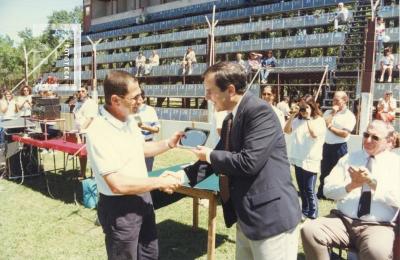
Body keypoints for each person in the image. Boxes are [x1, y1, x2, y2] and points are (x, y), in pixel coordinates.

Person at [187, 62, 301, 259]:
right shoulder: (231, 118)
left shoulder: (260, 111)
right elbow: (219, 157)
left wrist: (209, 155)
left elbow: (248, 162)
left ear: (230, 90)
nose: (206, 97)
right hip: (246, 217)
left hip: (270, 219)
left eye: (210, 91)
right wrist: (181, 176)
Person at [86, 70, 183, 260]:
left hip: (143, 199)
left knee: (149, 255)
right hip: (120, 208)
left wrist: (168, 143)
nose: (141, 100)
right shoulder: (98, 131)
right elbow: (117, 184)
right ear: (115, 100)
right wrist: (159, 182)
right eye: (135, 97)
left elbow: (140, 148)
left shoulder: (128, 120)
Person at [301, 120, 400, 260]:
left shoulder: (395, 164)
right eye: (366, 135)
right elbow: (327, 190)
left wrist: (372, 183)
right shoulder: (349, 158)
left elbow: (398, 199)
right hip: (343, 221)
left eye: (375, 137)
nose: (368, 140)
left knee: (376, 251)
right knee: (310, 230)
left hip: (378, 226)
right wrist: (351, 186)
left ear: (389, 141)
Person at [284, 100, 326, 220]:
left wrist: (308, 119)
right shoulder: (297, 120)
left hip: (311, 159)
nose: (304, 111)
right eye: (302, 109)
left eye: (307, 108)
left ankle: (313, 213)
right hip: (298, 157)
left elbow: (314, 134)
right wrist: (292, 116)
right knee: (301, 188)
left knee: (309, 189)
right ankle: (305, 211)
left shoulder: (319, 121)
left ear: (312, 108)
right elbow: (286, 130)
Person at [317, 91, 356, 199]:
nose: (334, 102)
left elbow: (344, 134)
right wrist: (333, 113)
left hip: (340, 147)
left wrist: (330, 127)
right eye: (333, 99)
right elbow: (325, 123)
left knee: (339, 171)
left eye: (337, 100)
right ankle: (322, 193)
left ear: (345, 100)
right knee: (324, 170)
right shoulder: (328, 112)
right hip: (327, 145)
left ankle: (337, 195)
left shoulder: (349, 116)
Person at [72, 86, 98, 179]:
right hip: (80, 133)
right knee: (82, 155)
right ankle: (82, 174)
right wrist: (76, 132)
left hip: (89, 133)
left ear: (87, 92)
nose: (81, 93)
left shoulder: (91, 103)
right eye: (79, 91)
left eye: (83, 91)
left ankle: (95, 177)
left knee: (93, 156)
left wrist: (80, 131)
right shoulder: (78, 103)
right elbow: (76, 118)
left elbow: (90, 118)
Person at [134, 89, 160, 172]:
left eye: (138, 98)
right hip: (133, 144)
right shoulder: (128, 110)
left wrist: (145, 127)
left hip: (148, 144)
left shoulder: (150, 110)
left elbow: (157, 129)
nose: (136, 101)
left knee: (147, 172)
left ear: (143, 98)